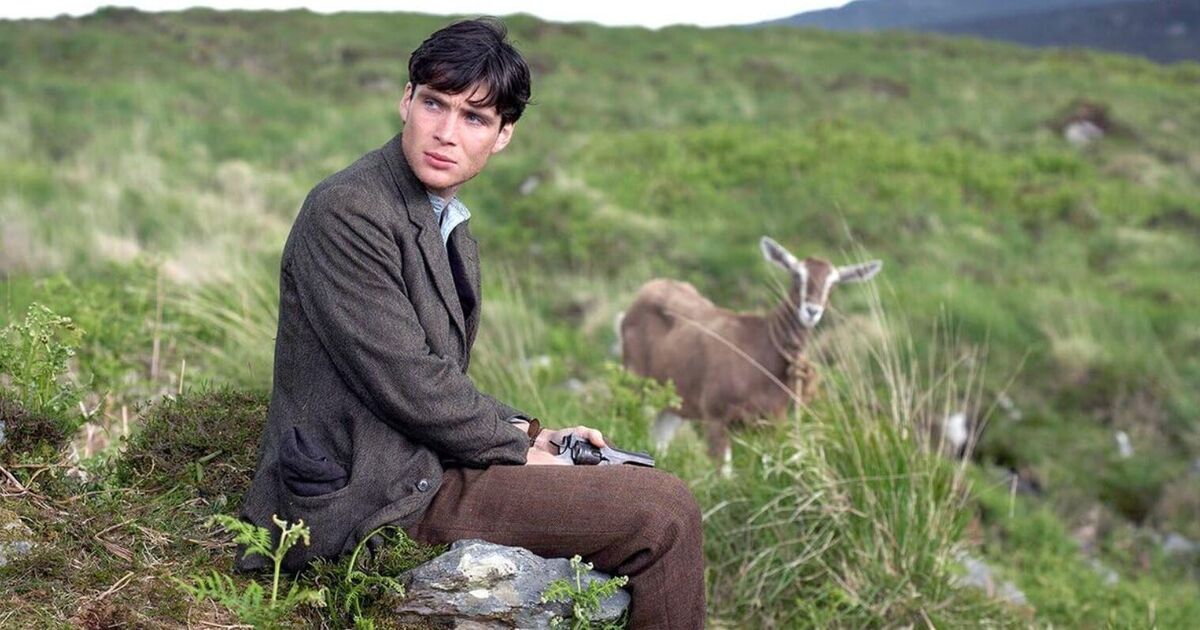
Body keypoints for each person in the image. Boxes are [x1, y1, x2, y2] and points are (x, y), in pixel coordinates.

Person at [236, 18, 705, 628]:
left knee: (637, 482)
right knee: (663, 513)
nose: (445, 133)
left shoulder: (445, 219)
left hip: (417, 460)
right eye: (434, 103)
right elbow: (409, 382)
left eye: (474, 118)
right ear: (406, 100)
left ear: (503, 135)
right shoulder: (348, 212)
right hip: (367, 490)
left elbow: (432, 375)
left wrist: (535, 434)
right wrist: (518, 451)